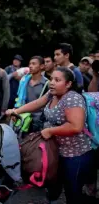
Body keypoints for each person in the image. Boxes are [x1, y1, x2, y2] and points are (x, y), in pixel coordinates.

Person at [6, 67, 93, 204]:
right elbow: (37, 103)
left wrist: (50, 131)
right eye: (51, 78)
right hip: (57, 151)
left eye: (57, 80)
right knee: (53, 185)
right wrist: (16, 110)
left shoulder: (72, 99)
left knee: (72, 190)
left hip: (75, 154)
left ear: (68, 84)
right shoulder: (52, 94)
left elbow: (76, 126)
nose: (52, 82)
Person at [15, 56, 49, 132]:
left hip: (37, 122)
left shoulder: (46, 84)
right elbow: (18, 98)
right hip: (22, 119)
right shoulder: (24, 81)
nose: (30, 66)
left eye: (33, 64)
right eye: (30, 64)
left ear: (42, 66)